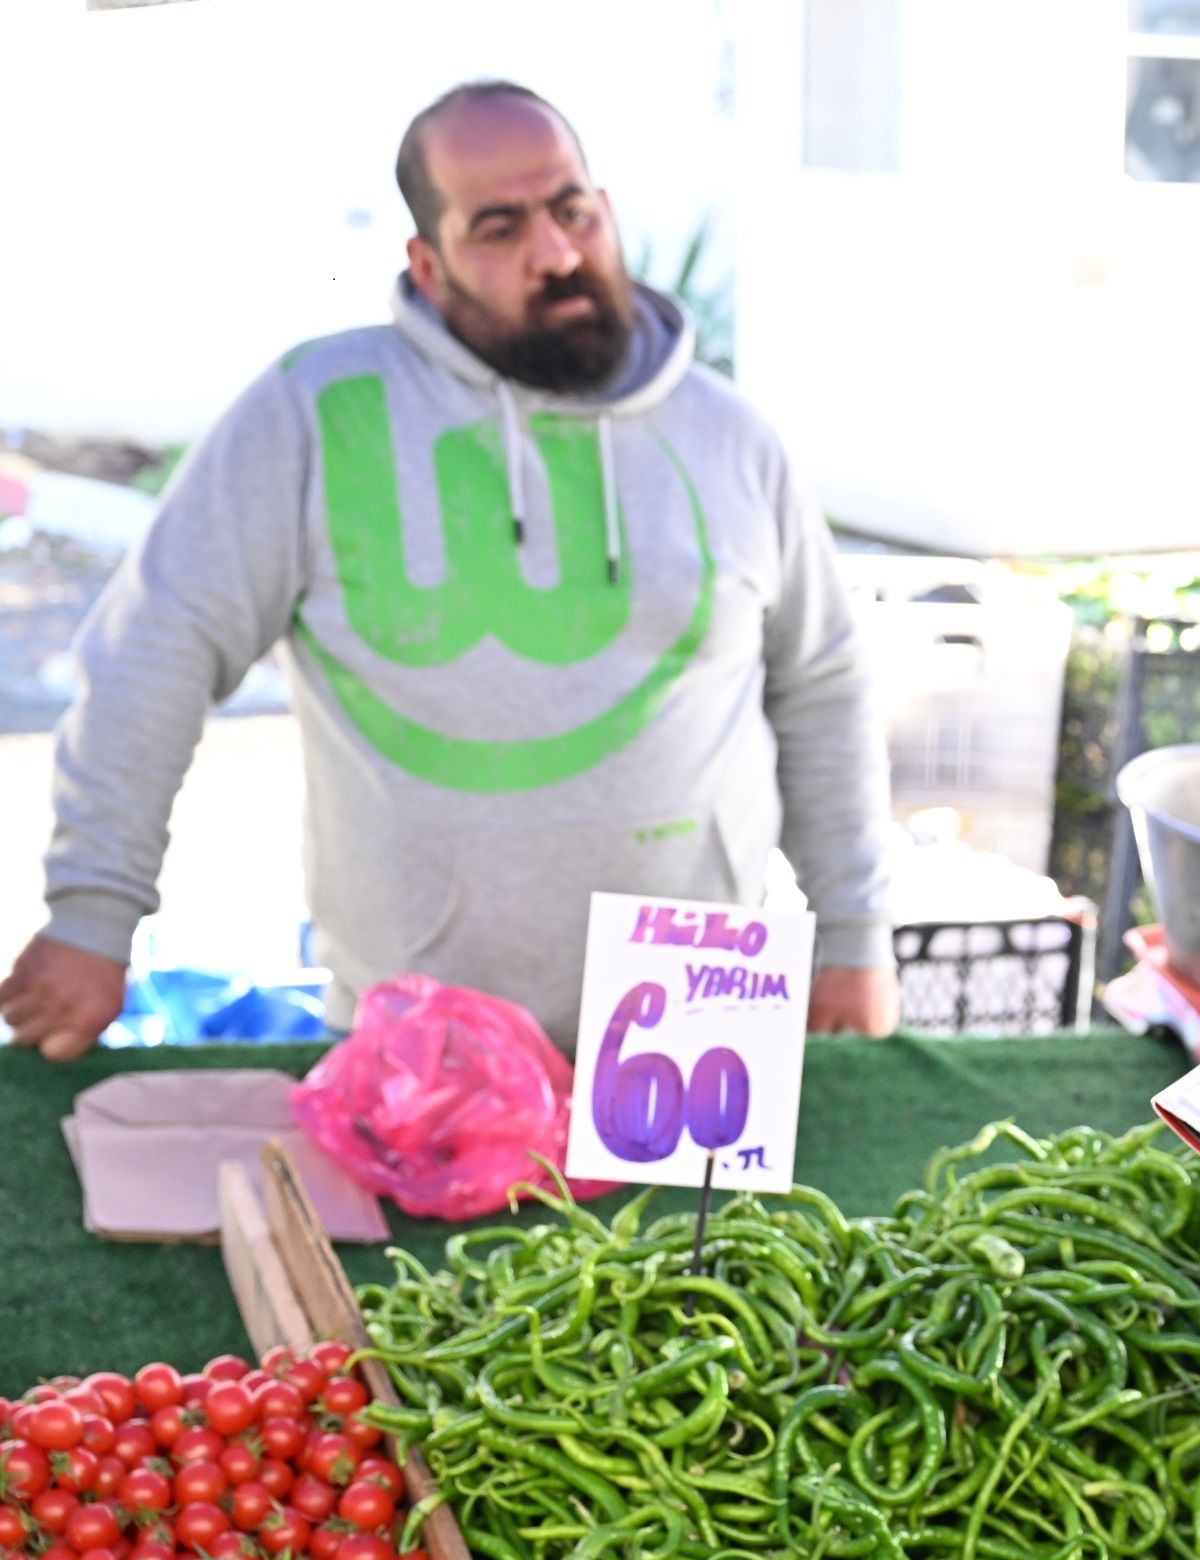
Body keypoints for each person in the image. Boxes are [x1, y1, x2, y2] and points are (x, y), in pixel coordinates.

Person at [0, 81, 899, 1056]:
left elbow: (822, 688)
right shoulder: (313, 414)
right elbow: (154, 655)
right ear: (427, 266)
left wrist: (853, 932)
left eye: (571, 210)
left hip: (694, 1036)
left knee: (723, 1224)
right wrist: (94, 913)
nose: (555, 254)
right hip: (419, 1036)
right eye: (499, 228)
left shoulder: (732, 437)